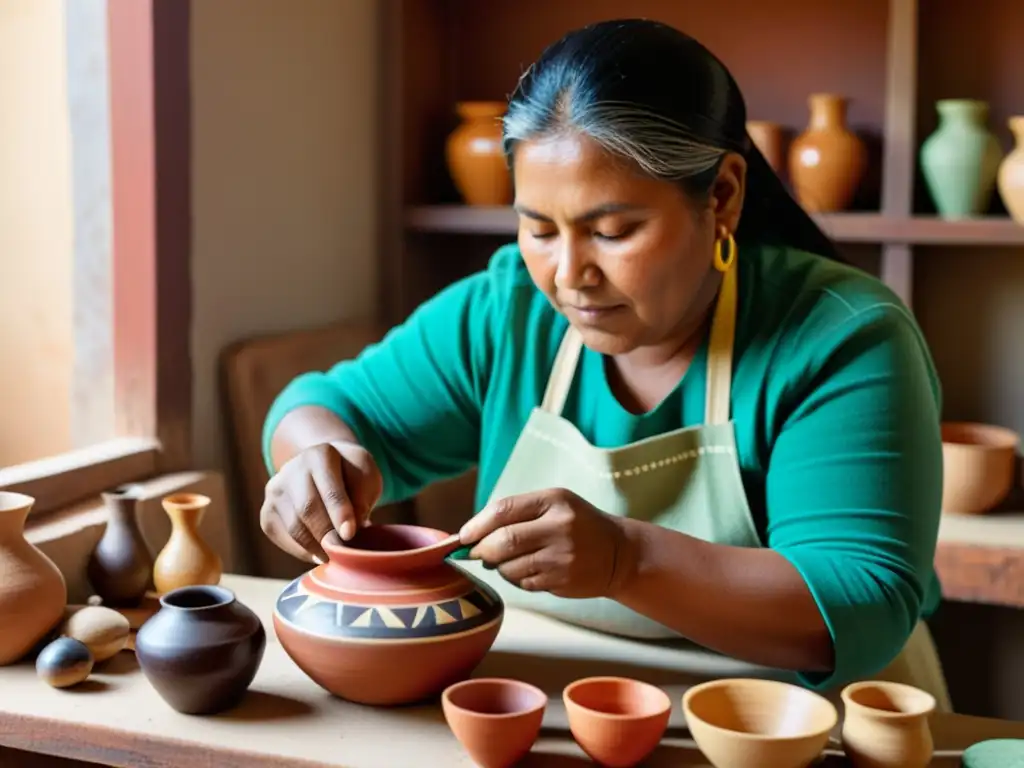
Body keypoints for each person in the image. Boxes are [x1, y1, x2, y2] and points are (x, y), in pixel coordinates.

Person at [260, 19, 951, 709]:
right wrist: (317, 460)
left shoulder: (841, 336)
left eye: (612, 231)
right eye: (538, 228)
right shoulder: (509, 311)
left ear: (722, 197)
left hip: (796, 727)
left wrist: (628, 560)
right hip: (562, 712)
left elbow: (859, 600)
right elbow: (321, 404)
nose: (568, 276)